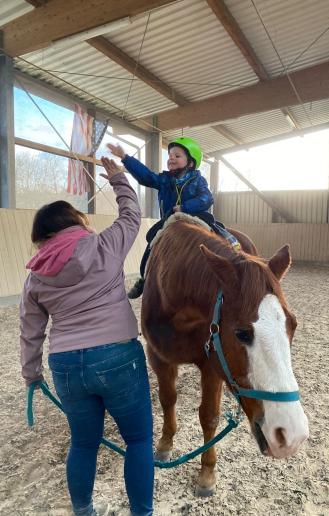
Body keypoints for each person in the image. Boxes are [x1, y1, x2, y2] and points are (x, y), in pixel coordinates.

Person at [20, 157, 154, 516]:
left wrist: (31, 374)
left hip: (65, 364)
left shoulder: (35, 275)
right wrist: (116, 177)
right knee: (139, 441)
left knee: (83, 445)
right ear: (76, 222)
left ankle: (84, 511)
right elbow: (130, 214)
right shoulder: (105, 246)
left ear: (42, 237)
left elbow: (31, 329)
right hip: (117, 357)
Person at [108, 137, 239, 299]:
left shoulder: (198, 180)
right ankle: (144, 277)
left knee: (218, 231)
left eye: (177, 156)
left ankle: (232, 260)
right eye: (170, 155)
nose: (171, 158)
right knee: (152, 238)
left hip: (194, 216)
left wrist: (185, 207)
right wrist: (125, 158)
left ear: (190, 163)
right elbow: (146, 176)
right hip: (171, 219)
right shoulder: (164, 180)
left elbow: (207, 198)